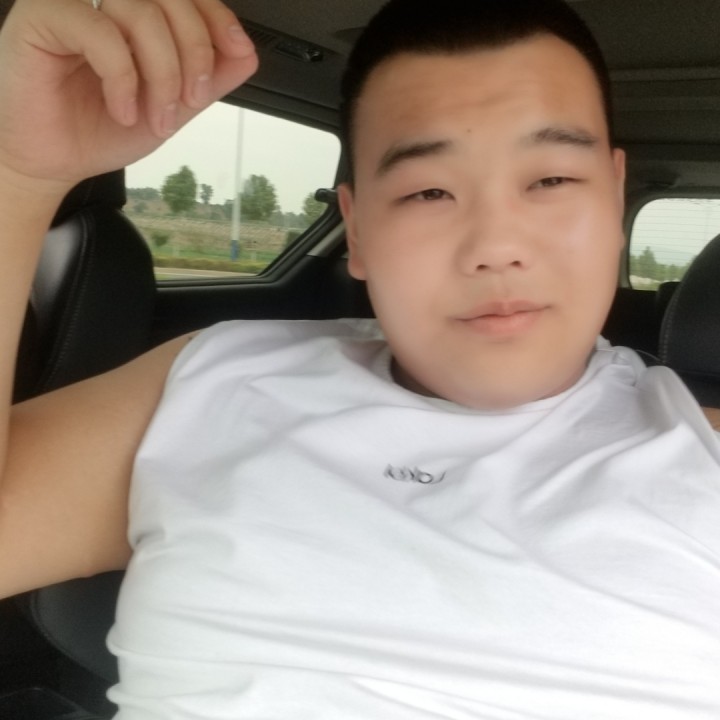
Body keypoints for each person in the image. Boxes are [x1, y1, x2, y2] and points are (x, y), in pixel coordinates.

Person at [0, 0, 718, 717]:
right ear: (358, 230)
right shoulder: (212, 382)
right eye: (428, 191)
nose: (497, 246)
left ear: (613, 197)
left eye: (551, 180)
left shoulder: (701, 456)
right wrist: (18, 173)